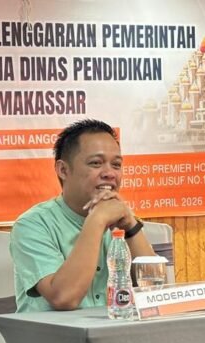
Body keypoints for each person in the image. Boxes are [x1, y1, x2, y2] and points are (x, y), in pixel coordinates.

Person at [10, 119, 155, 312]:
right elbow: (64, 298)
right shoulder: (32, 225)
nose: (109, 173)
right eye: (96, 163)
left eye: (116, 165)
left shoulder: (122, 219)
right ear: (63, 170)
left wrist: (132, 228)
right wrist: (96, 221)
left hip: (112, 329)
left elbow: (156, 293)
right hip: (54, 332)